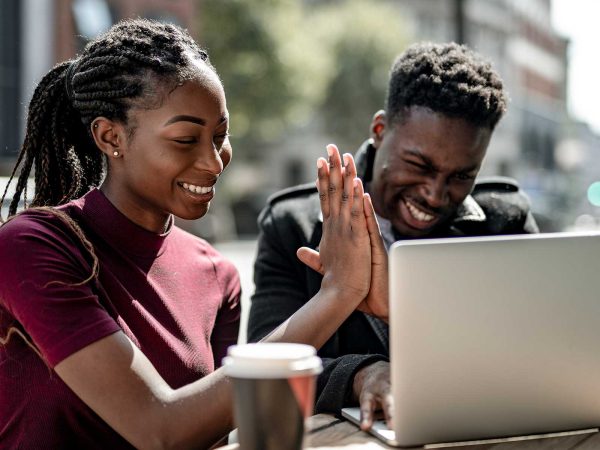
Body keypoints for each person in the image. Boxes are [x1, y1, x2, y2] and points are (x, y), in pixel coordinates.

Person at [0, 19, 385, 449]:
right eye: (186, 139)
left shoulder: (217, 275)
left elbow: (207, 436)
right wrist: (336, 295)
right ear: (111, 137)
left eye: (220, 135)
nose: (214, 162)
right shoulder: (35, 246)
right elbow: (159, 429)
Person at [247, 42, 539, 430]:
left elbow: (535, 355)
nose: (435, 195)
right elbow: (264, 365)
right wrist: (359, 375)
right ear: (380, 130)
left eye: (461, 176)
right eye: (419, 165)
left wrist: (402, 310)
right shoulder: (293, 227)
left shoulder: (505, 222)